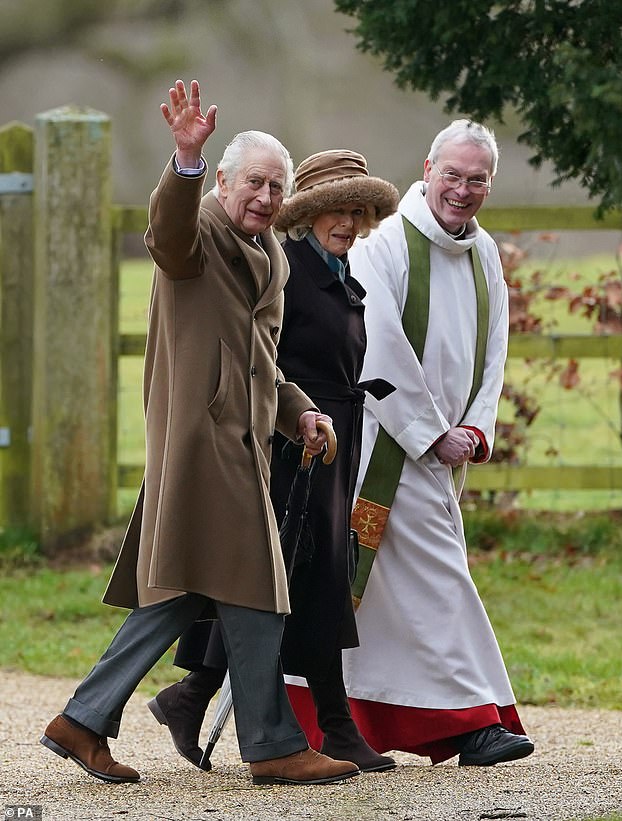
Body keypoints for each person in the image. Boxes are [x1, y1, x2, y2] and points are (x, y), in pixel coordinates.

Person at [39, 79, 361, 787]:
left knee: (187, 592)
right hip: (201, 444)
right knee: (256, 587)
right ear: (221, 180)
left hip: (243, 446)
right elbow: (166, 233)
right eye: (254, 182)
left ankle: (83, 719)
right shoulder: (201, 230)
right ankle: (274, 743)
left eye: (277, 186)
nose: (266, 197)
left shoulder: (272, 253)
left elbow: (263, 364)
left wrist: (300, 410)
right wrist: (182, 160)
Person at [288, 119, 536, 767]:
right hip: (385, 446)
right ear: (427, 169)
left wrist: (477, 427)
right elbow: (378, 346)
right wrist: (431, 433)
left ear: (489, 185)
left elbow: (495, 347)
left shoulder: (484, 253)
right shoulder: (387, 243)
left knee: (383, 599)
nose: (462, 189)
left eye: (477, 179)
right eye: (452, 174)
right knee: (438, 577)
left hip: (447, 449)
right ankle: (475, 720)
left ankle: (334, 719)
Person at [147, 149, 401, 774]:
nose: (350, 221)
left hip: (327, 435)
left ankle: (192, 696)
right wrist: (293, 418)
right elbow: (258, 355)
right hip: (283, 447)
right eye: (338, 209)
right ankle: (319, 728)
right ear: (308, 214)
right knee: (281, 582)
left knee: (289, 582)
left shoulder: (328, 269)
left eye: (360, 211)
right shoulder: (280, 265)